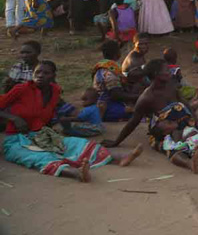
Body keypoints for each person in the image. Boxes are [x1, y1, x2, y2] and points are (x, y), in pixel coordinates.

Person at [0, 60, 143, 182]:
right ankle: (76, 173)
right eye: (37, 72)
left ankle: (120, 157)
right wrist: (14, 118)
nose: (40, 76)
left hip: (41, 133)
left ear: (53, 76)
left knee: (76, 143)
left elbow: (53, 114)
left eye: (46, 73)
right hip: (16, 139)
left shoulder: (55, 91)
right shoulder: (21, 89)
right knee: (39, 156)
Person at [94, 40, 139, 121]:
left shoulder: (103, 66)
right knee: (136, 112)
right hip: (107, 106)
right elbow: (116, 95)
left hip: (101, 102)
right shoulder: (110, 72)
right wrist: (138, 97)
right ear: (117, 53)